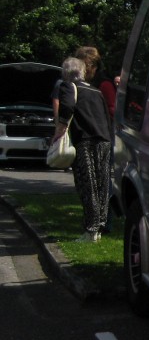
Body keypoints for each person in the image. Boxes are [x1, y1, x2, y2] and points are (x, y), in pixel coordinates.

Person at [50, 57, 112, 242]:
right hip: (104, 140)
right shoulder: (95, 91)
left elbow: (67, 107)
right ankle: (99, 228)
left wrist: (60, 131)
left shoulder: (68, 87)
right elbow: (106, 116)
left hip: (85, 140)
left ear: (66, 73)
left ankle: (90, 229)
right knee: (102, 186)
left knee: (88, 185)